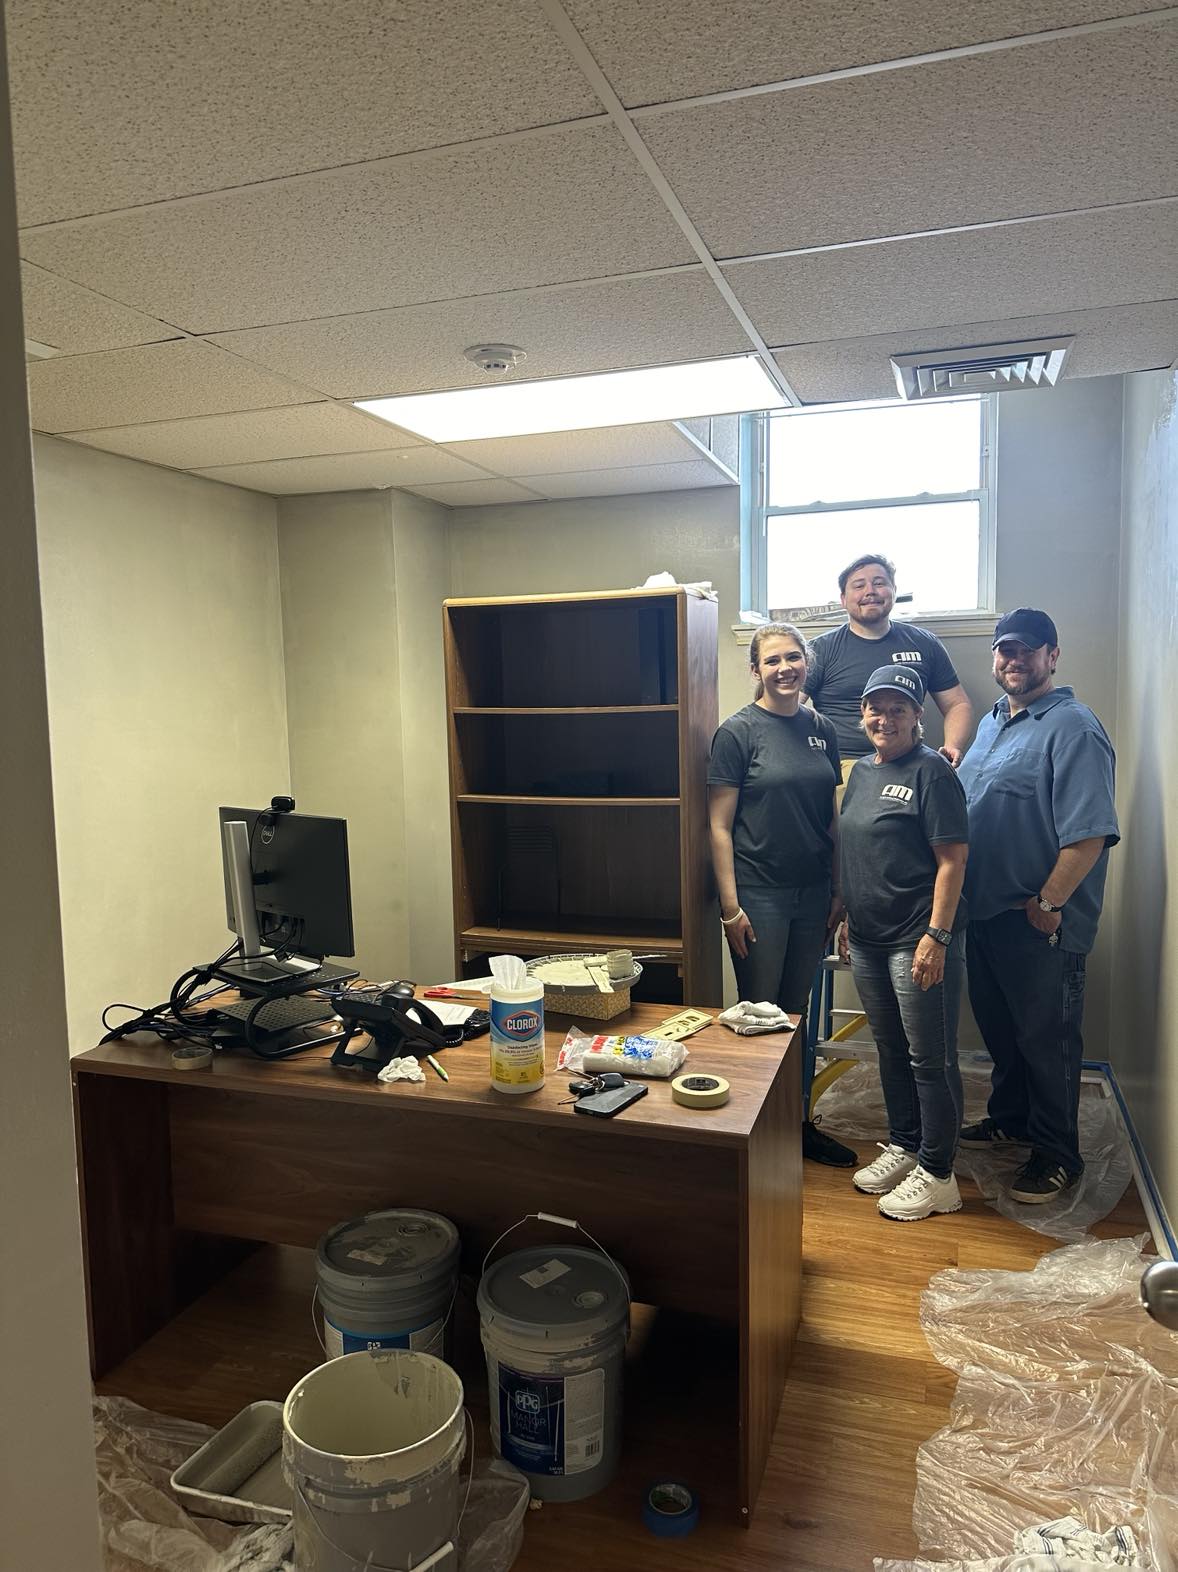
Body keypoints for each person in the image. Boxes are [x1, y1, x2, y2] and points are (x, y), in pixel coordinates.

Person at [956, 609, 1119, 1204]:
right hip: (986, 913)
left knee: (1047, 1042)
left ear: (1052, 656)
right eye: (1005, 650)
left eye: (1027, 650)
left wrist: (1050, 901)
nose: (1013, 660)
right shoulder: (993, 723)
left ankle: (1057, 1154)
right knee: (1004, 1033)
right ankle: (1012, 1119)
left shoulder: (1073, 727)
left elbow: (1090, 832)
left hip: (1039, 920)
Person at [708, 622, 853, 1166]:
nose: (784, 668)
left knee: (797, 1015)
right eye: (772, 661)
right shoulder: (737, 733)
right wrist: (730, 909)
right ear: (756, 670)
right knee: (759, 1013)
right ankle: (753, 1132)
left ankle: (796, 1125)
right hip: (758, 895)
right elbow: (718, 827)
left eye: (793, 658)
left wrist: (838, 889)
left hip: (813, 894)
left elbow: (830, 818)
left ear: (806, 663)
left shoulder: (822, 729)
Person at [837, 665, 970, 1221]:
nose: (885, 718)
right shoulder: (862, 773)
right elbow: (858, 850)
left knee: (930, 1060)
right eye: (876, 708)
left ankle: (939, 1175)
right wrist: (848, 914)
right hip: (868, 939)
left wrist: (936, 937)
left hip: (916, 939)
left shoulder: (932, 771)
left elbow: (953, 860)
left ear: (918, 715)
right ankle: (906, 1144)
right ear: (863, 713)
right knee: (891, 1050)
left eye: (898, 709)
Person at [806, 554, 974, 778]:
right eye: (859, 585)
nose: (870, 591)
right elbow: (785, 707)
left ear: (894, 590)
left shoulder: (924, 643)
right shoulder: (819, 649)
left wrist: (952, 746)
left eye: (879, 583)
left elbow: (957, 704)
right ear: (843, 599)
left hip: (908, 762)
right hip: (843, 765)